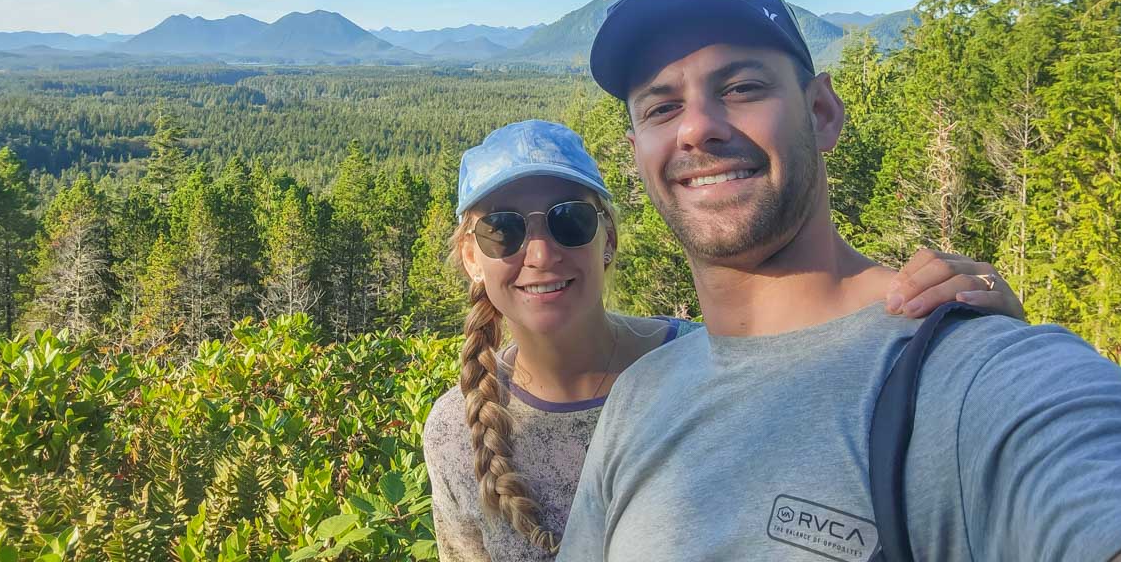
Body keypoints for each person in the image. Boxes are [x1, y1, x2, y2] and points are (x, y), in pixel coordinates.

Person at [556, 0, 1121, 561]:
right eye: (661, 108)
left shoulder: (974, 374)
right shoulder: (638, 399)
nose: (698, 128)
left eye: (741, 88)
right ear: (637, 155)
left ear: (821, 113)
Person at [424, 120, 1026, 562]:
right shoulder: (457, 431)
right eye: (501, 229)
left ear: (606, 240)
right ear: (471, 258)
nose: (540, 252)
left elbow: (844, 381)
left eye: (569, 220)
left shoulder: (710, 365)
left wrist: (975, 345)